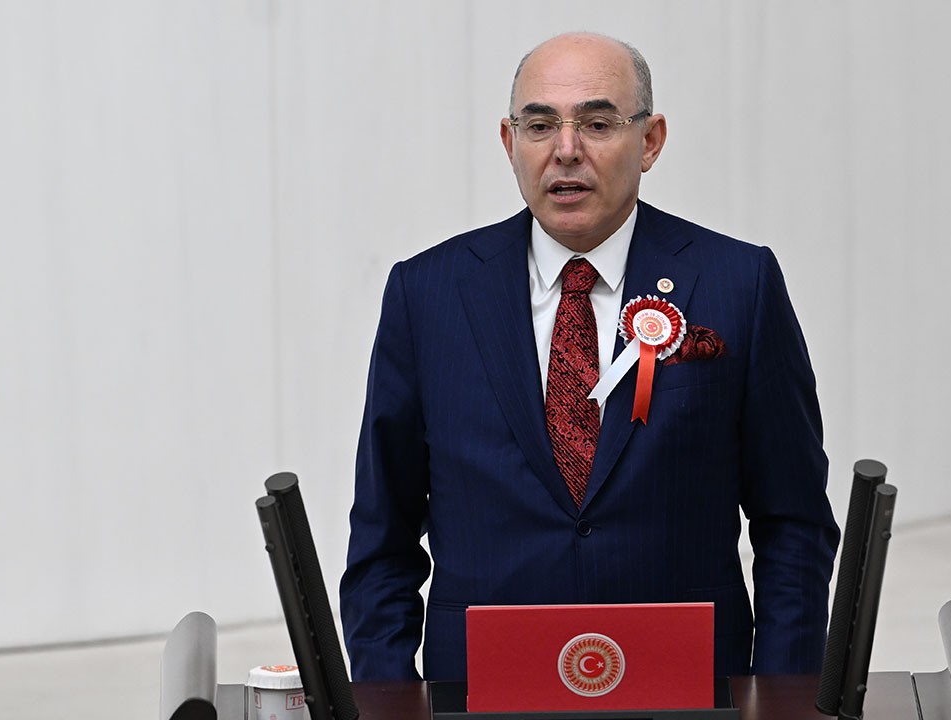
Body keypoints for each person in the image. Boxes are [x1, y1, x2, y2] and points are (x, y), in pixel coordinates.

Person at [340, 32, 839, 682]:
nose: (566, 150)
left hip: (688, 686)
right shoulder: (428, 294)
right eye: (540, 125)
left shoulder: (738, 285)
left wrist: (782, 694)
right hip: (482, 692)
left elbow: (794, 522)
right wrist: (387, 697)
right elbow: (383, 534)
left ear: (651, 140)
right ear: (509, 142)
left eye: (598, 124)